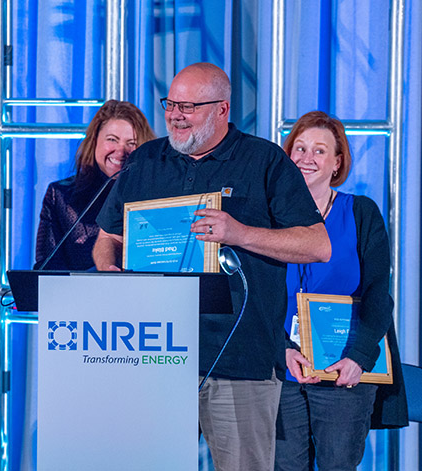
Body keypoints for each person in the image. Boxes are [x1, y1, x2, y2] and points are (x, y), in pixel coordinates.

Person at [92, 63, 332, 470]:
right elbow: (108, 238)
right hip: (152, 353)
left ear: (222, 109)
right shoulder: (146, 159)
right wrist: (107, 271)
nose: (175, 114)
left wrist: (241, 233)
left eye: (189, 106)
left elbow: (318, 245)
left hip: (239, 359)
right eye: (171, 104)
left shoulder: (264, 161)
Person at [274, 111, 408, 471]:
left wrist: (360, 356)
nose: (306, 158)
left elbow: (380, 291)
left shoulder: (361, 212)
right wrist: (281, 350)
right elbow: (257, 293)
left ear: (337, 162)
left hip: (344, 369)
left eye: (319, 150)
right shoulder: (268, 217)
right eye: (299, 148)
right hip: (283, 369)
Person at [35, 100, 156, 270]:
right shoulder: (60, 195)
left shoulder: (157, 195)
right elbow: (46, 269)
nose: (121, 152)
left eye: (131, 143)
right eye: (112, 139)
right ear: (94, 141)